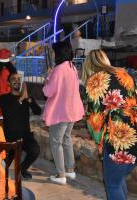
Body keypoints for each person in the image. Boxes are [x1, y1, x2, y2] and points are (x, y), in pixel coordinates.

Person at [82, 49, 137, 200]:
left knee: (113, 184)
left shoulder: (95, 80)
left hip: (119, 138)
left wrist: (98, 138)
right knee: (118, 179)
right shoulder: (123, 74)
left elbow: (94, 117)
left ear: (88, 65)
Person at [42, 41, 84, 185]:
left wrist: (47, 78)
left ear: (59, 53)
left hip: (60, 112)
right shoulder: (71, 67)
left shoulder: (58, 69)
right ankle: (70, 170)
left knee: (56, 142)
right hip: (72, 110)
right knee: (66, 139)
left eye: (54, 51)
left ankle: (60, 174)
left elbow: (48, 91)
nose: (53, 54)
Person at [0, 72, 41, 179]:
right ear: (9, 83)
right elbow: (9, 112)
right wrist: (21, 99)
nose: (17, 81)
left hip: (25, 136)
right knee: (2, 167)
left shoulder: (26, 98)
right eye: (13, 79)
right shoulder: (4, 98)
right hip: (10, 137)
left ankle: (22, 168)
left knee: (35, 150)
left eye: (19, 79)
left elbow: (38, 111)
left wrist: (30, 100)